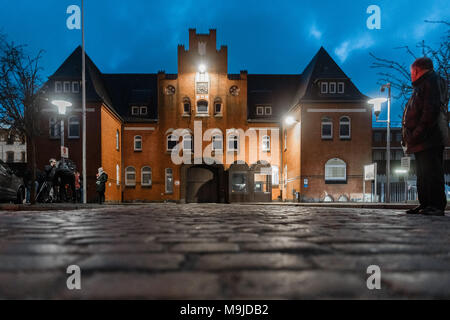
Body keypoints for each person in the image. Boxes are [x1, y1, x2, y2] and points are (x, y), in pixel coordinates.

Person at [402, 57, 448, 216]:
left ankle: (435, 205)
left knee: (432, 171)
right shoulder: (424, 84)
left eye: (412, 72)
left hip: (429, 137)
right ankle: (426, 204)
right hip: (423, 139)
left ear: (416, 70)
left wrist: (416, 133)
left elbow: (430, 110)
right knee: (423, 173)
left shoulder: (431, 82)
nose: (411, 76)